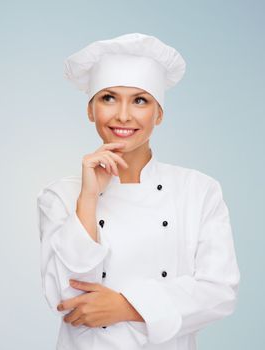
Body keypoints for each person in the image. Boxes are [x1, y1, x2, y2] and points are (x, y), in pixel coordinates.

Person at [36, 33, 240, 350]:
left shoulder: (199, 190)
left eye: (140, 100)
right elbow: (66, 299)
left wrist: (127, 307)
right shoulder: (59, 195)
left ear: (159, 114)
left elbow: (219, 292)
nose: (123, 115)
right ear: (90, 110)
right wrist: (88, 199)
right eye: (108, 98)